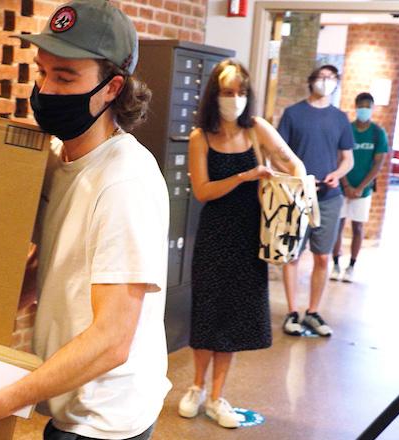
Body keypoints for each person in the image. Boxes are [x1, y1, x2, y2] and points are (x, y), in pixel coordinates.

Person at [0, 1, 170, 439]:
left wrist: (2, 402)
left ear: (112, 88)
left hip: (106, 420)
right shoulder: (61, 160)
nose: (46, 89)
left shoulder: (124, 182)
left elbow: (113, 339)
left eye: (65, 77)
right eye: (42, 72)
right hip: (70, 403)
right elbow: (52, 268)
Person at [177, 60, 305, 428]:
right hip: (215, 233)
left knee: (233, 315)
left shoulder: (256, 129)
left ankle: (217, 395)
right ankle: (196, 387)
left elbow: (292, 162)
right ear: (213, 95)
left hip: (251, 234)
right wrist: (247, 175)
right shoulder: (200, 137)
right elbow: (203, 191)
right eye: (227, 92)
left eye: (240, 92)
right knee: (208, 308)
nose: (234, 99)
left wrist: (288, 186)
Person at [275, 65, 354, 337]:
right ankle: (292, 311)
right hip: (297, 195)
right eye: (321, 77)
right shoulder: (293, 114)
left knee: (323, 256)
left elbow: (348, 159)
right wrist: (297, 176)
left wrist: (337, 174)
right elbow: (279, 154)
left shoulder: (340, 118)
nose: (325, 82)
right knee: (293, 254)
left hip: (329, 197)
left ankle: (312, 311)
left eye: (331, 78)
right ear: (311, 81)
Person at [331, 92, 391, 283]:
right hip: (342, 186)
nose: (364, 109)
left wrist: (360, 188)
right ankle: (335, 264)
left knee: (358, 227)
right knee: (337, 226)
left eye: (368, 106)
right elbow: (339, 158)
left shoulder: (377, 133)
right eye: (361, 105)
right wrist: (346, 184)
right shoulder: (346, 129)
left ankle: (351, 266)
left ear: (372, 108)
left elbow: (378, 164)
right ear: (356, 106)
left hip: (363, 190)